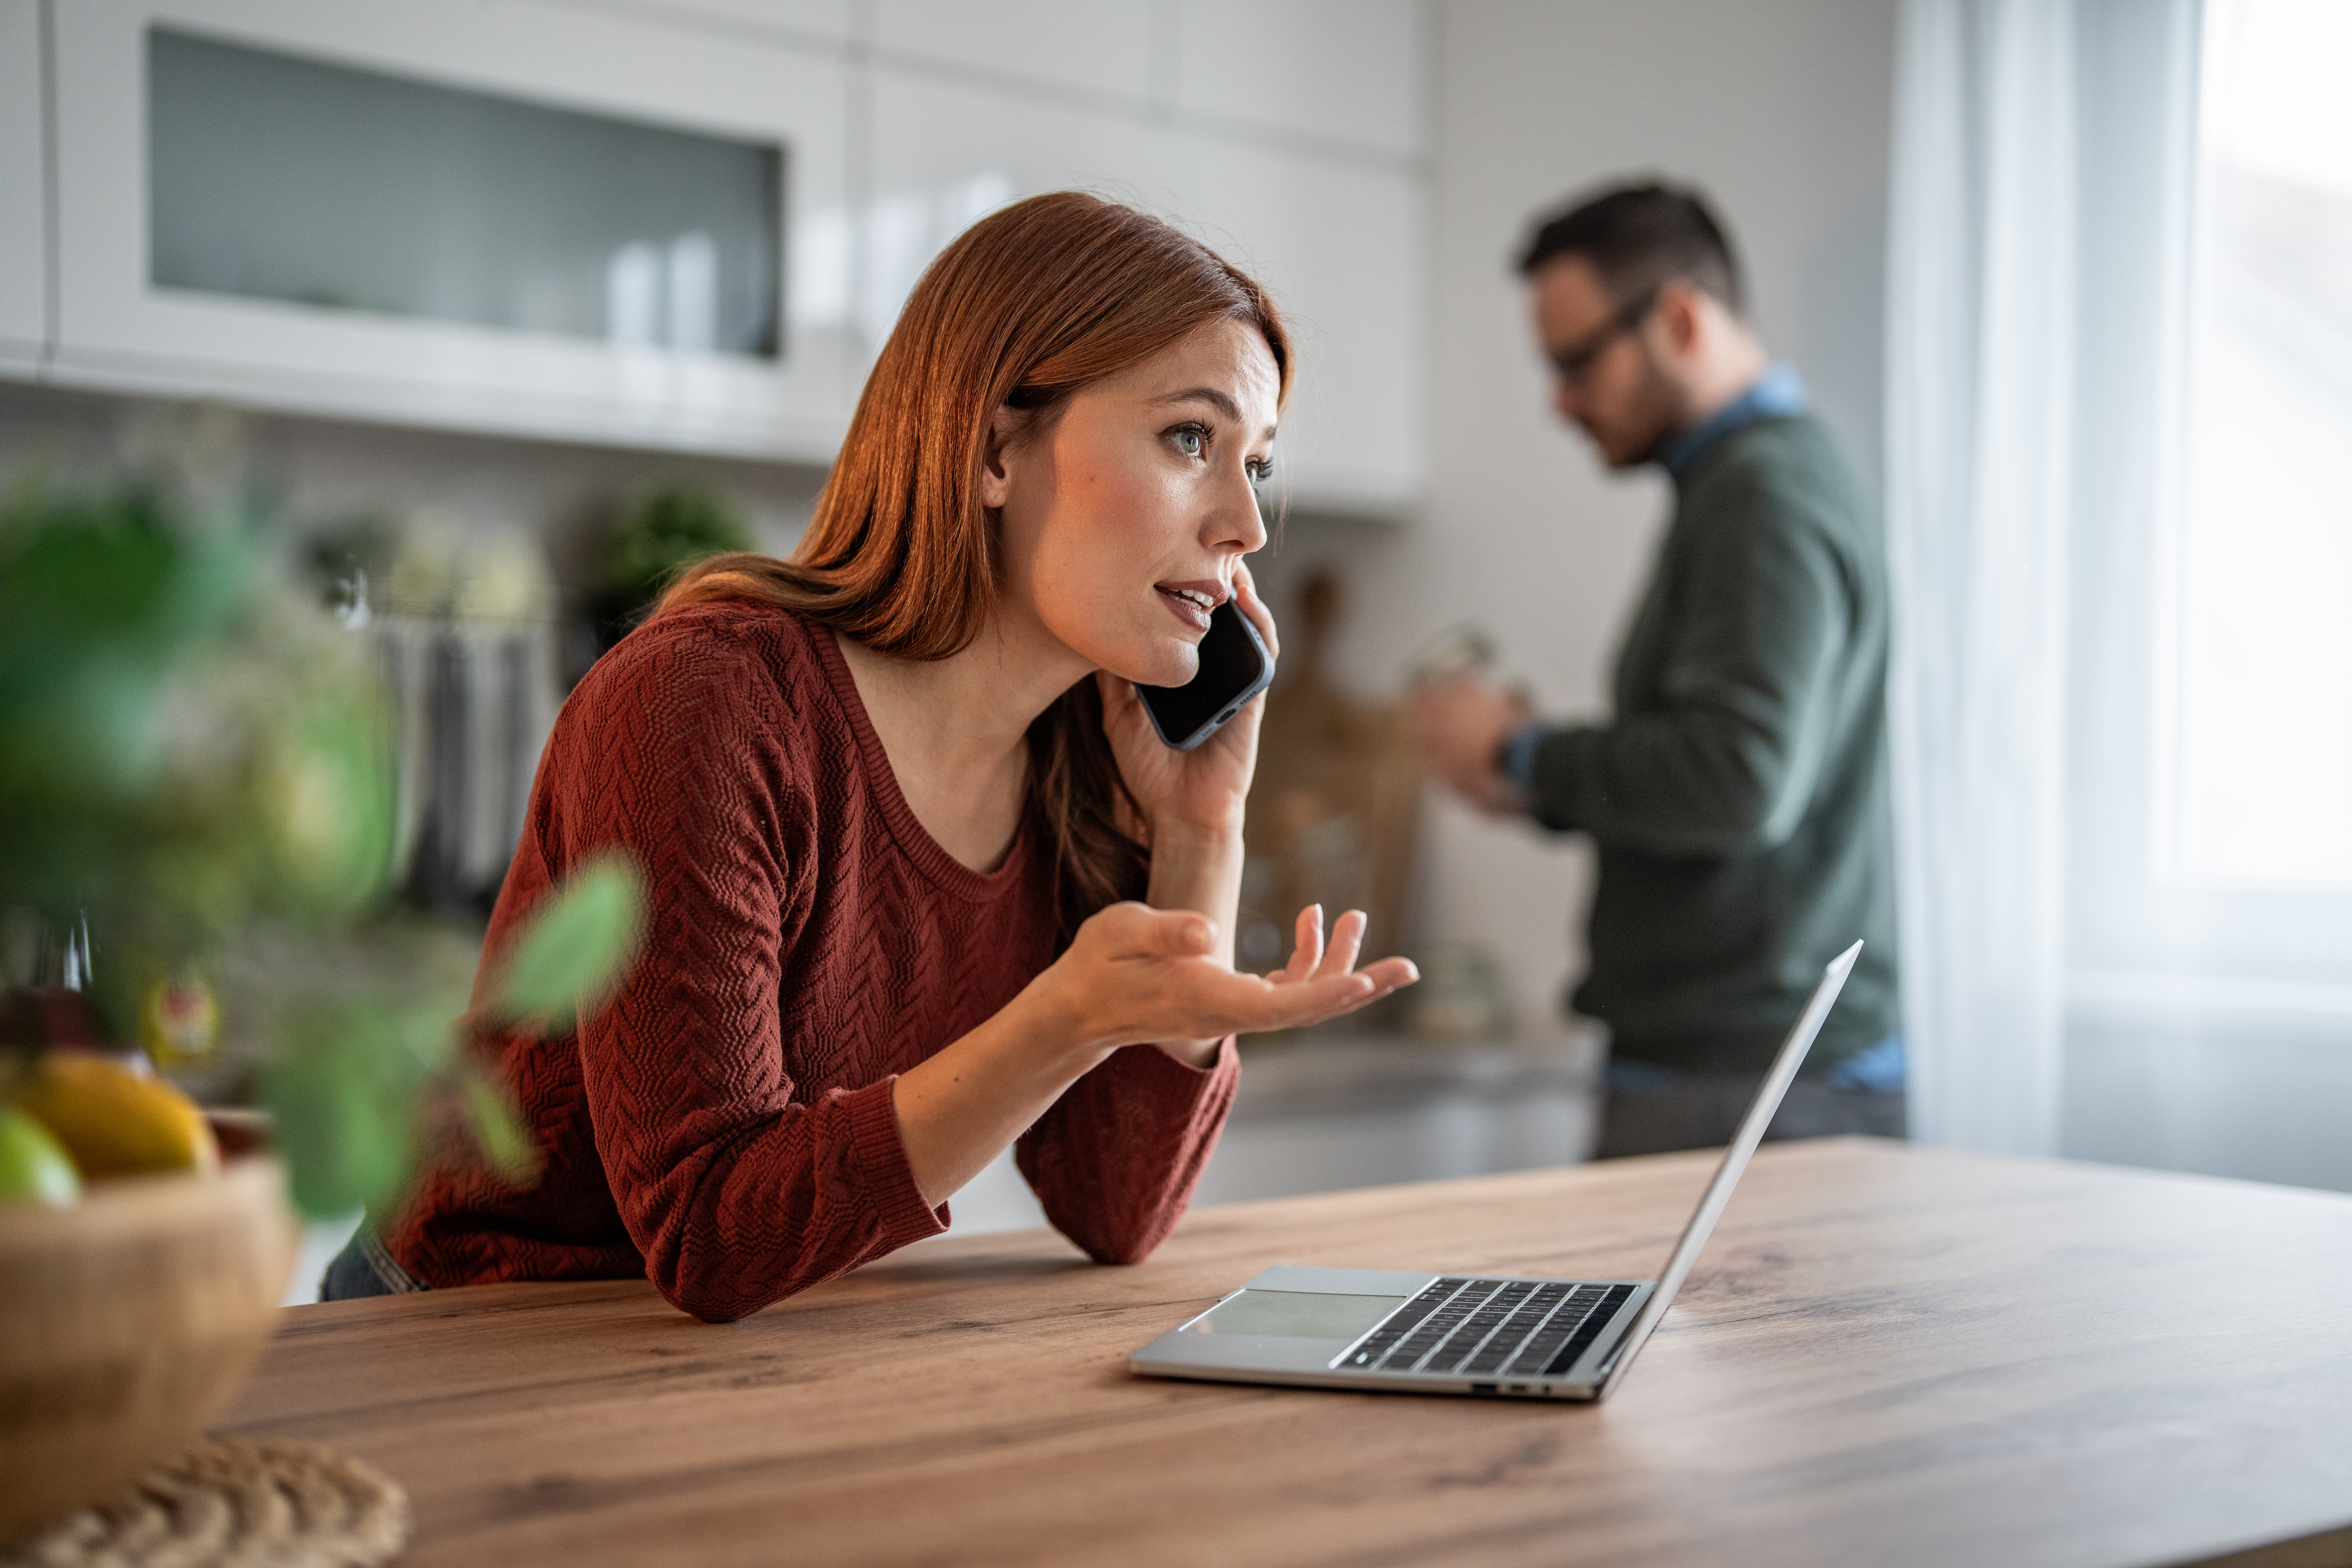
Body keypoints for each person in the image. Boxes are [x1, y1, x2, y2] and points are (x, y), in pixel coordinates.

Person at [325, 193, 1416, 1318]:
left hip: (741, 1352)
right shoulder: (706, 699)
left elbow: (1117, 1208)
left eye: (1260, 462)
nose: (1249, 524)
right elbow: (708, 1233)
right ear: (997, 448)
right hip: (464, 1327)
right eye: (1192, 439)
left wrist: (1200, 831)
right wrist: (1063, 1019)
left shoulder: (1084, 762)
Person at [1410, 181, 1900, 1158]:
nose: (1559, 400)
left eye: (1576, 362)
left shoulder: (1762, 494)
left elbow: (1737, 778)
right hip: (1749, 1075)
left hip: (1744, 1084)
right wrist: (1539, 782)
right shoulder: (1755, 483)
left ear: (1679, 318)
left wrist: (1522, 753)